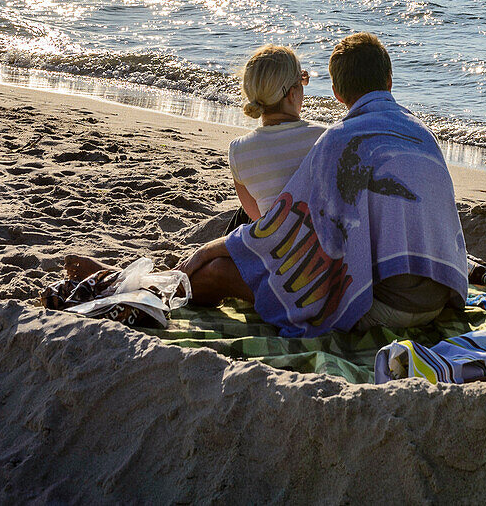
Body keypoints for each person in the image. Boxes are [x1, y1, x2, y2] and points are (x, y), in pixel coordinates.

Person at [179, 33, 468, 336]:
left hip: (387, 305)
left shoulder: (339, 141)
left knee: (215, 274)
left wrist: (209, 251)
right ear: (390, 81)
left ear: (337, 94)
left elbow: (281, 228)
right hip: (441, 293)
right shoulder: (423, 133)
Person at [227, 46, 326, 225]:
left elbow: (258, 218)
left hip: (274, 244)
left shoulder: (238, 150)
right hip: (317, 244)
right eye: (302, 79)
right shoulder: (323, 137)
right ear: (291, 94)